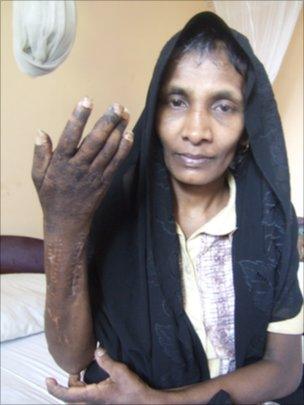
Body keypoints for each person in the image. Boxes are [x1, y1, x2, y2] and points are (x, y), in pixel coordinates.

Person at [32, 11, 303, 404]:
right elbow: (72, 357)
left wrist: (157, 401)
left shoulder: (272, 223)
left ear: (247, 130)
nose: (195, 131)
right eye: (176, 101)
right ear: (154, 113)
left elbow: (284, 368)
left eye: (223, 106)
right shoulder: (111, 212)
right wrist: (62, 227)